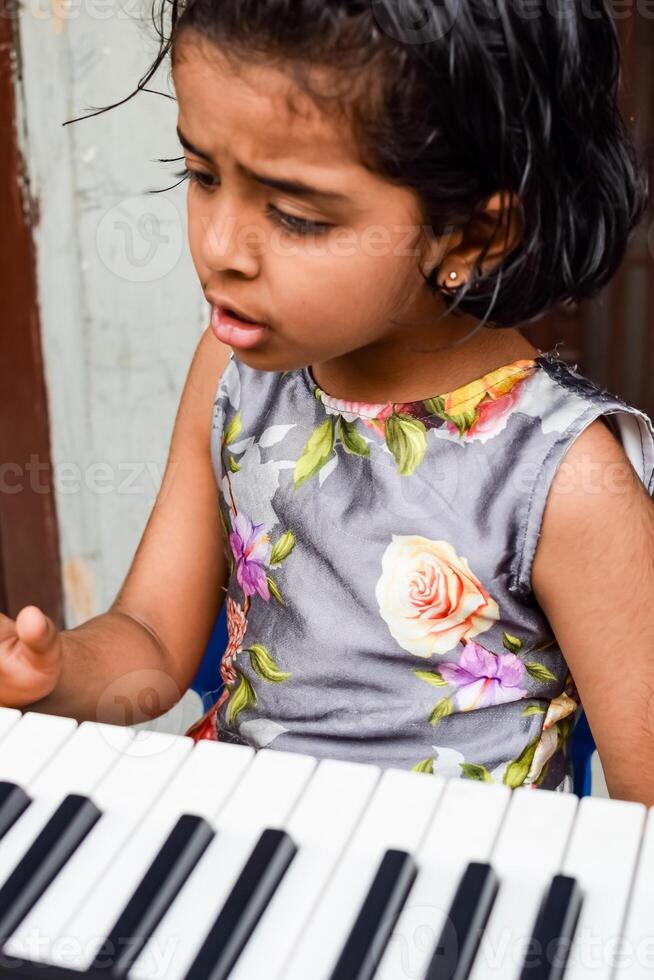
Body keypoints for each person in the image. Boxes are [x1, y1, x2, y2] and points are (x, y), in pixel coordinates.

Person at [2, 0, 654, 803]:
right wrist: (56, 673)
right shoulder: (234, 371)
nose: (219, 248)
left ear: (473, 238)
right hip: (243, 841)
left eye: (296, 216)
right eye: (201, 176)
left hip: (452, 887)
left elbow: (642, 815)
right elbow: (151, 645)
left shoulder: (563, 479)